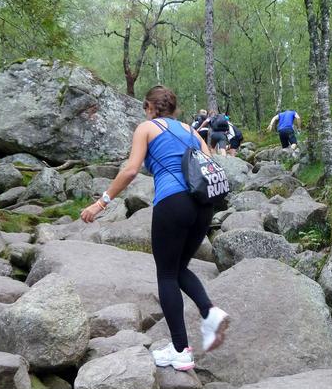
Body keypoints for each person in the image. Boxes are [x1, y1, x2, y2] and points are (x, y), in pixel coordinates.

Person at [80, 85, 230, 371]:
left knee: (165, 275)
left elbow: (131, 170)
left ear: (149, 106)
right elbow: (209, 162)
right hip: (203, 205)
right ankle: (209, 313)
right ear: (173, 108)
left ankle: (180, 350)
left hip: (173, 203)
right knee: (179, 268)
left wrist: (101, 204)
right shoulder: (191, 130)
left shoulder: (146, 128)